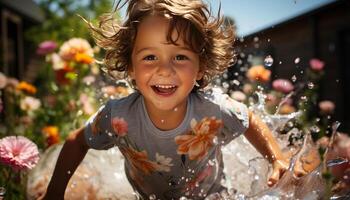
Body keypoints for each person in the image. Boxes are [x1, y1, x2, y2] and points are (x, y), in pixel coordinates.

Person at [44, 0, 292, 199]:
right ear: (130, 66)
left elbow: (247, 117)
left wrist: (276, 158)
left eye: (180, 57)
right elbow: (77, 140)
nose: (165, 69)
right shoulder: (118, 116)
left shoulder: (213, 109)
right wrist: (54, 193)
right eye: (150, 57)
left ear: (201, 67)